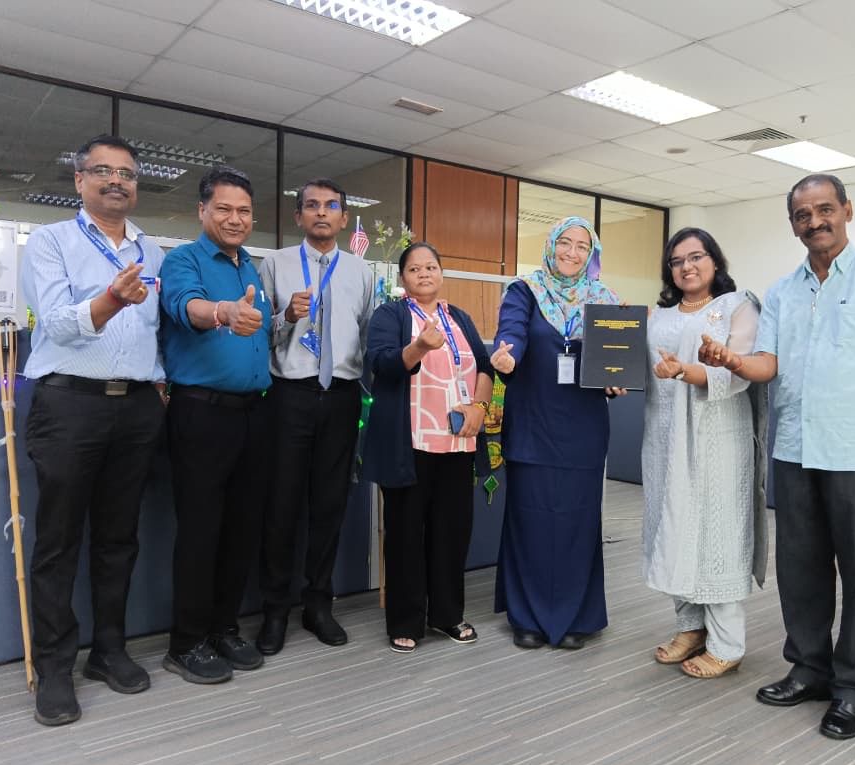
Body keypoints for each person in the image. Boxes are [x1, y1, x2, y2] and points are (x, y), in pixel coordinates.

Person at [699, 174, 855, 739]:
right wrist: (731, 361)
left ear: (847, 211)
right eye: (803, 215)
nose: (815, 222)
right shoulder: (783, 292)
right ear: (793, 224)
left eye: (825, 209)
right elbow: (768, 364)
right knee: (801, 571)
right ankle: (809, 669)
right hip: (796, 451)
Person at [20, 134, 166, 726]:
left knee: (118, 537)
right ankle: (55, 667)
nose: (116, 181)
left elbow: (155, 329)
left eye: (126, 173)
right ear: (79, 180)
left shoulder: (152, 251)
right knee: (58, 541)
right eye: (102, 171)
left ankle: (108, 649)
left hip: (136, 408)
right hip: (69, 405)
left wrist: (159, 380)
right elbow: (56, 322)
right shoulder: (50, 241)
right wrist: (110, 299)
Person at [159, 166, 272, 684]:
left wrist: (282, 317)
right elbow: (187, 307)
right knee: (201, 531)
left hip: (253, 414)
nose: (234, 218)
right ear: (202, 211)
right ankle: (186, 642)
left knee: (241, 529)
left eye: (243, 210)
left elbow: (257, 331)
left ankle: (224, 627)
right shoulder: (182, 260)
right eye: (223, 208)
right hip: (201, 413)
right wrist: (223, 311)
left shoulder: (252, 267)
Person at [490, 216, 624, 650]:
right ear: (550, 246)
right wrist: (507, 356)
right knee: (529, 519)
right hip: (532, 423)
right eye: (564, 243)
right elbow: (511, 332)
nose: (572, 252)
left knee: (577, 521)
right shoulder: (525, 290)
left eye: (582, 246)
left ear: (592, 254)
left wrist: (617, 380)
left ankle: (576, 618)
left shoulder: (604, 299)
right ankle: (526, 617)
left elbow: (615, 361)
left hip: (583, 428)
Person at [255, 178, 375, 654]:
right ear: (299, 216)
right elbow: (257, 335)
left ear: (344, 218)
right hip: (289, 396)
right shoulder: (274, 264)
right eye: (311, 206)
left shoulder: (362, 272)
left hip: (342, 397)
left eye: (330, 206)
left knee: (329, 506)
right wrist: (286, 317)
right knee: (281, 507)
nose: (321, 213)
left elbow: (367, 335)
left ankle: (318, 604)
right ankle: (274, 610)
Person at [642, 227, 767, 680]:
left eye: (696, 257)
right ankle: (690, 627)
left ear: (715, 261)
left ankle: (727, 644)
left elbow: (741, 371)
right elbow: (640, 368)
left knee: (718, 533)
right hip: (665, 436)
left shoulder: (737, 306)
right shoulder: (658, 316)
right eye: (677, 261)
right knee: (673, 524)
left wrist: (687, 371)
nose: (687, 267)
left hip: (718, 438)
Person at [364, 242, 494, 653]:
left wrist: (479, 407)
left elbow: (485, 367)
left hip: (457, 444)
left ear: (441, 273)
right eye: (415, 268)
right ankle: (405, 621)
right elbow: (381, 364)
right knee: (406, 535)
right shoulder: (391, 315)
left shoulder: (460, 317)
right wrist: (419, 346)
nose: (424, 274)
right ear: (403, 278)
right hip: (410, 444)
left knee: (451, 534)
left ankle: (447, 615)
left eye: (431, 267)